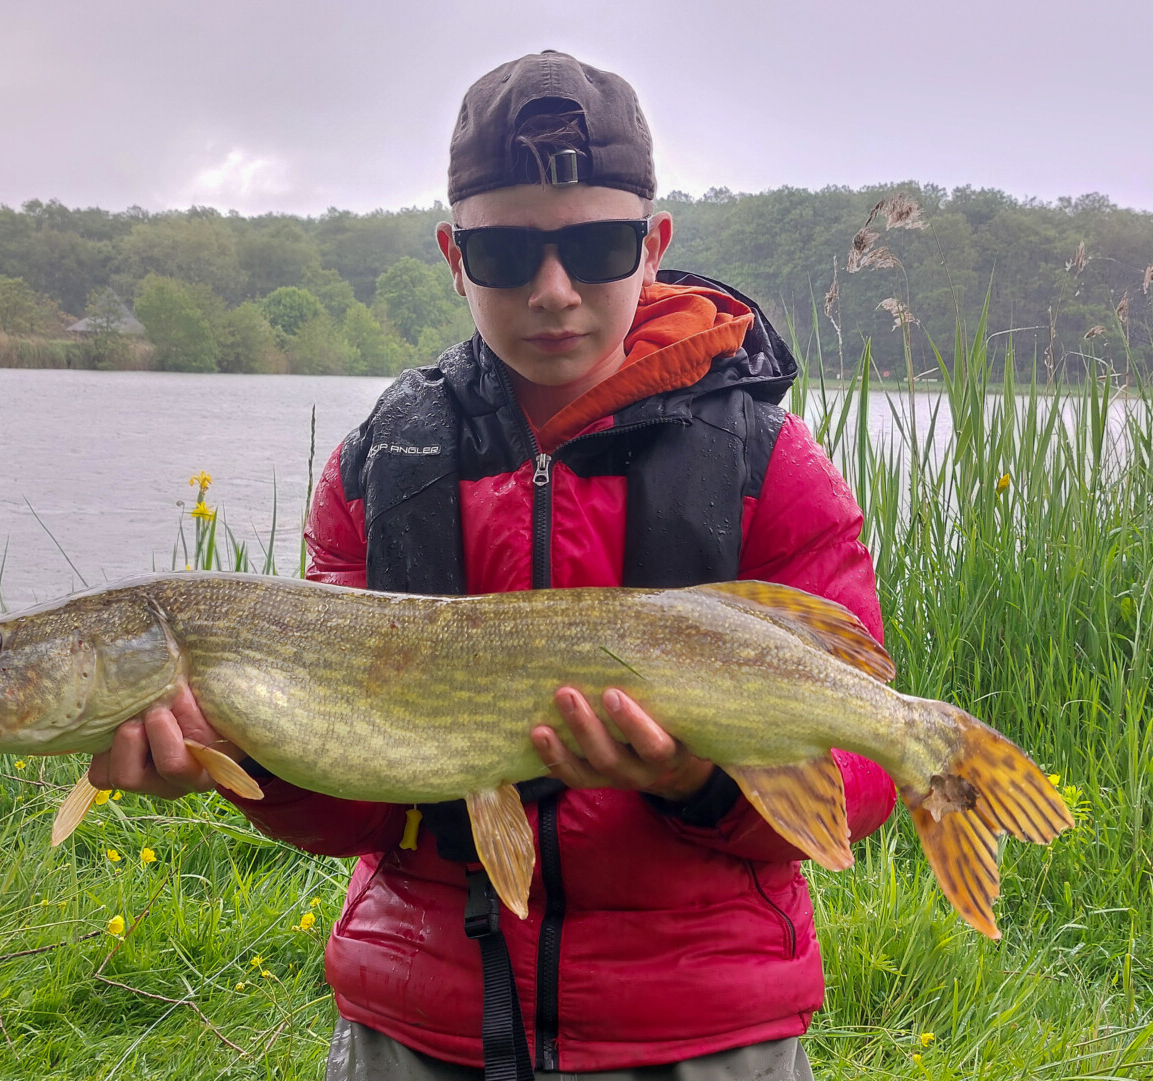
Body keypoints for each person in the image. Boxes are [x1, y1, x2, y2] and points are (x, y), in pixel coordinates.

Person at [89, 50, 895, 1080]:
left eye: (597, 245)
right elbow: (362, 802)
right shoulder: (380, 469)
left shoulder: (765, 466)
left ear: (652, 247)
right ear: (453, 255)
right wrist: (232, 767)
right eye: (506, 252)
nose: (553, 291)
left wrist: (699, 779)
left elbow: (862, 764)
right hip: (423, 1024)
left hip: (698, 1029)